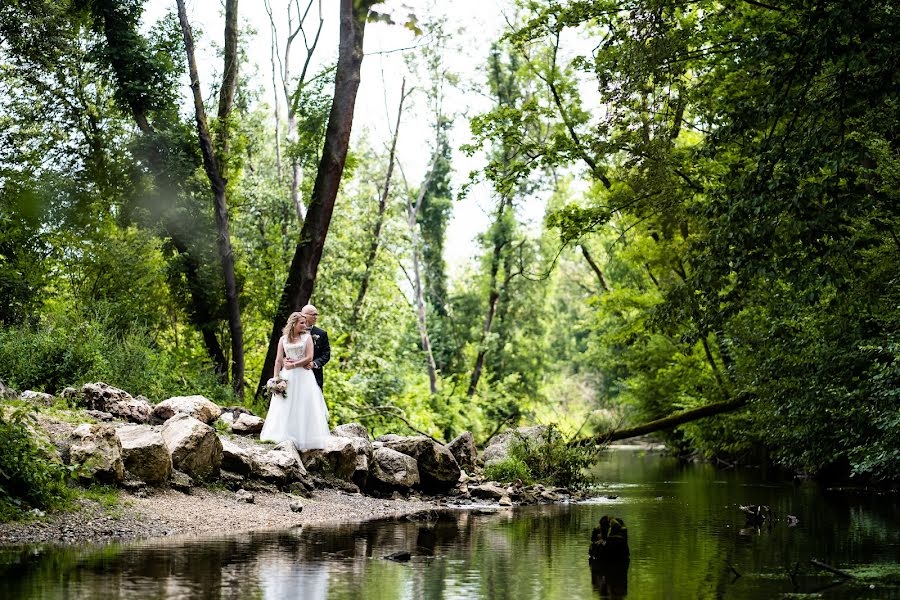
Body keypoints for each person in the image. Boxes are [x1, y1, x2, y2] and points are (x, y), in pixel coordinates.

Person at [259, 312, 330, 449]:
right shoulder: (283, 339)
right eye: (302, 323)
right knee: (285, 404)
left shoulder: (307, 338)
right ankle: (281, 434)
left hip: (304, 376)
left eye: (305, 322)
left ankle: (304, 438)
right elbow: (278, 360)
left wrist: (294, 365)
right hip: (287, 376)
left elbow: (309, 357)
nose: (305, 325)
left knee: (302, 404)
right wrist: (276, 378)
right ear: (294, 324)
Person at [300, 304, 330, 390]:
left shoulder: (321, 333)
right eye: (313, 314)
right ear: (304, 315)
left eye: (317, 315)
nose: (316, 317)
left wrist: (314, 363)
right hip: (294, 372)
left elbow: (326, 354)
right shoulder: (293, 331)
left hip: (314, 374)